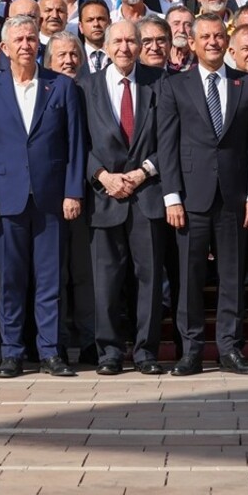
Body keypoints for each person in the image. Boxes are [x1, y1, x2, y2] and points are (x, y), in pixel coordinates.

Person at [0, 15, 86, 378]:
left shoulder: (61, 87)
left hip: (52, 198)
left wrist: (73, 191)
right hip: (7, 199)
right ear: (4, 49)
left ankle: (50, 351)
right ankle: (12, 352)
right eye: (18, 40)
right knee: (11, 279)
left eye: (31, 39)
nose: (26, 45)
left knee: (50, 278)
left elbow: (75, 146)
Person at [157, 13, 248, 376]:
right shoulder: (175, 85)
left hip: (235, 197)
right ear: (192, 42)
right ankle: (190, 350)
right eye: (205, 36)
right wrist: (171, 196)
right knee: (188, 277)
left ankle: (230, 348)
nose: (213, 42)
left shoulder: (246, 85)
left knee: (232, 275)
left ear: (228, 41)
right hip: (191, 197)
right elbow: (167, 144)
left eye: (219, 36)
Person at [77, 20, 167, 375]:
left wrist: (143, 171)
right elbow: (77, 143)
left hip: (148, 195)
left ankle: (146, 352)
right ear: (107, 45)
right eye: (119, 41)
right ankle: (109, 352)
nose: (125, 47)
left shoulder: (161, 84)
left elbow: (172, 140)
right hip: (105, 198)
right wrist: (102, 176)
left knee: (149, 279)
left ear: (141, 44)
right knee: (106, 281)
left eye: (132, 40)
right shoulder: (86, 87)